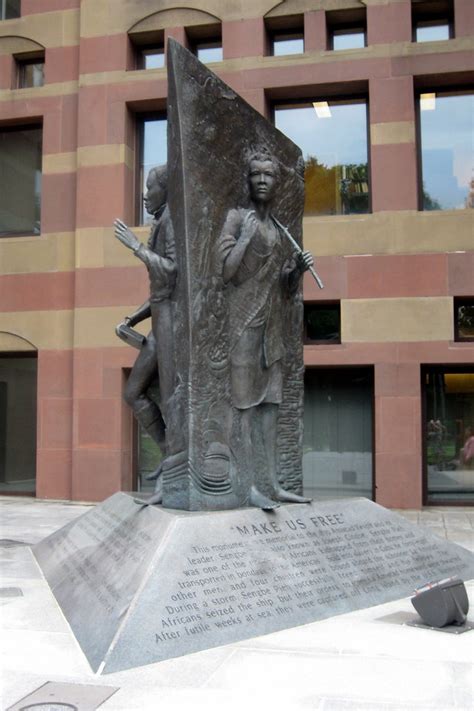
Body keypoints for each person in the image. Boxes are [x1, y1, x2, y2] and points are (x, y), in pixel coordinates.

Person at [217, 149, 313, 509]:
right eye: (255, 174)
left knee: (270, 405)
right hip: (243, 323)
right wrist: (245, 238)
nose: (261, 180)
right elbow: (226, 273)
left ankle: (271, 483)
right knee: (242, 407)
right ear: (248, 179)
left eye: (268, 176)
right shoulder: (236, 218)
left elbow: (283, 289)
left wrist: (296, 271)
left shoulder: (278, 228)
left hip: (271, 328)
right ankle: (245, 487)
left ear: (275, 183)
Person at [114, 165, 176, 500]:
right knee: (136, 392)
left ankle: (172, 462)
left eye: (150, 187)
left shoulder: (171, 224)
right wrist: (133, 319)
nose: (144, 194)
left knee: (159, 397)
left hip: (172, 325)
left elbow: (172, 272)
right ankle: (169, 454)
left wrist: (136, 248)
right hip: (158, 321)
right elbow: (157, 288)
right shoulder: (161, 222)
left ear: (165, 190)